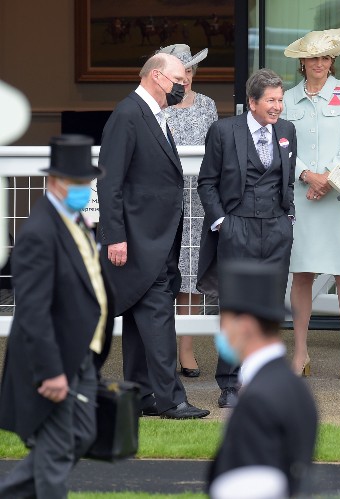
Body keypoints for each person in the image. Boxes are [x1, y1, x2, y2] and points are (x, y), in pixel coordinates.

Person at [0, 135, 114, 498]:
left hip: (80, 353)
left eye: (86, 182)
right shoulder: (39, 232)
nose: (83, 189)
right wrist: (51, 371)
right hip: (53, 360)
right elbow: (33, 311)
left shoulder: (75, 221)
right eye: (76, 182)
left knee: (81, 434)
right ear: (54, 182)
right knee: (55, 453)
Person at [98, 52, 209, 419]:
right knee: (159, 317)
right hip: (138, 240)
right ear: (158, 77)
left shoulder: (153, 114)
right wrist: (115, 236)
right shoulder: (128, 114)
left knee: (138, 319)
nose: (183, 85)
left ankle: (143, 394)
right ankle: (172, 399)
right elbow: (110, 181)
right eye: (178, 79)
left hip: (156, 239)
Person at [197, 69, 297, 408]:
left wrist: (288, 217)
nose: (277, 107)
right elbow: (206, 182)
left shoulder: (286, 131)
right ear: (252, 102)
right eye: (271, 100)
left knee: (269, 307)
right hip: (236, 226)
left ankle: (262, 379)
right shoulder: (224, 131)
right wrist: (222, 221)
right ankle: (229, 384)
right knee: (236, 306)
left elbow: (288, 181)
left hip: (276, 228)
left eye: (280, 100)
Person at [281, 28, 340, 379]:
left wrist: (327, 177)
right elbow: (282, 143)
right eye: (312, 57)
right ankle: (300, 350)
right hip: (302, 196)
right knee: (302, 274)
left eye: (325, 57)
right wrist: (307, 177)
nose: (319, 63)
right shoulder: (286, 98)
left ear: (332, 61)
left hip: (337, 194)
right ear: (302, 62)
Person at [207, 260, 318, 497]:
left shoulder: (258, 398)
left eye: (223, 320)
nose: (220, 329)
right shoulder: (293, 386)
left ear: (245, 325)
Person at [159, 43, 219, 379]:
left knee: (193, 274)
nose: (188, 77)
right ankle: (163, 347)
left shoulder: (208, 104)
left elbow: (218, 147)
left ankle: (187, 349)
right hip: (166, 199)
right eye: (182, 72)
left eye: (191, 70)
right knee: (165, 273)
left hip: (199, 201)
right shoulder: (158, 106)